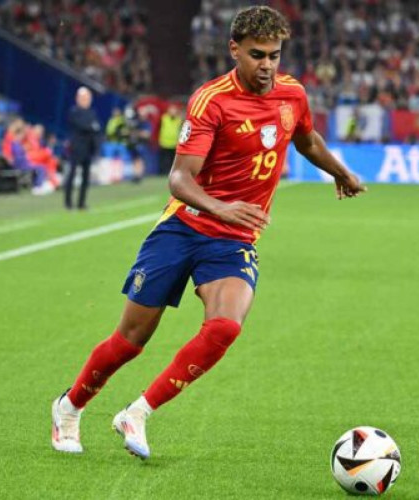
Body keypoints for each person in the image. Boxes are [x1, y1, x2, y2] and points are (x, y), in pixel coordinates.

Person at [50, 5, 364, 458]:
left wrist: (341, 172)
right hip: (182, 228)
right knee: (130, 341)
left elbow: (307, 139)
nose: (268, 65)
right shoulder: (211, 100)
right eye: (258, 55)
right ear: (234, 49)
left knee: (224, 327)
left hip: (234, 240)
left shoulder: (292, 95)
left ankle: (136, 413)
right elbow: (179, 178)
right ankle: (70, 406)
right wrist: (223, 208)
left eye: (275, 55)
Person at [64, 87, 101, 210]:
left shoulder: (91, 112)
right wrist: (91, 127)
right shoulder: (74, 111)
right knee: (72, 174)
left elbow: (96, 128)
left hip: (88, 148)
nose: (86, 100)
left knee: (85, 177)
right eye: (84, 98)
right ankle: (68, 202)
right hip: (77, 148)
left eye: (88, 98)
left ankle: (81, 202)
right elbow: (84, 126)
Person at [158, 104, 182, 176]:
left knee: (173, 160)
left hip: (175, 143)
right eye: (171, 110)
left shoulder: (179, 120)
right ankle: (163, 173)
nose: (172, 112)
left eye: (174, 110)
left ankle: (172, 172)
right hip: (164, 142)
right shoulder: (163, 118)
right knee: (164, 159)